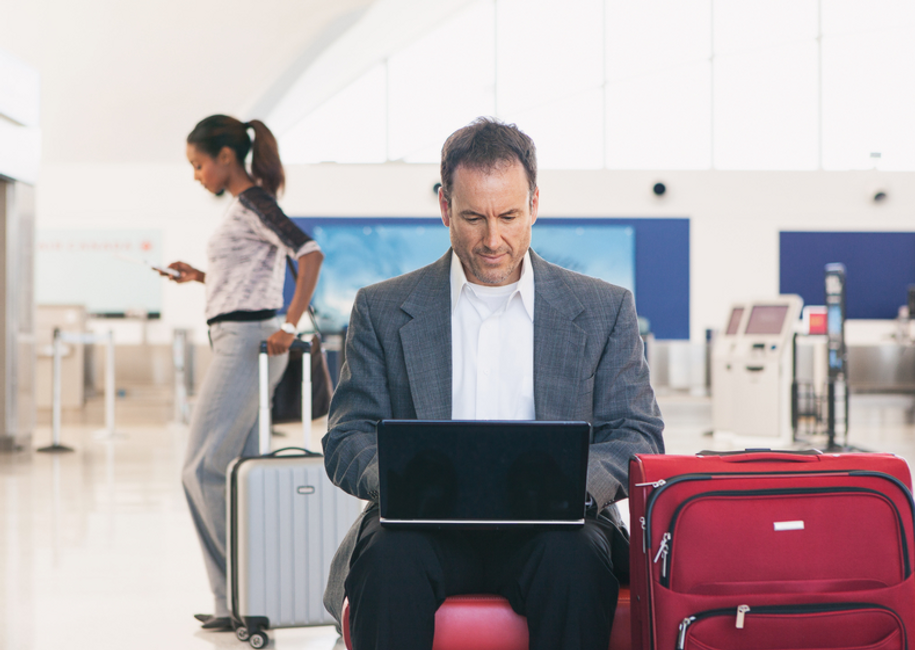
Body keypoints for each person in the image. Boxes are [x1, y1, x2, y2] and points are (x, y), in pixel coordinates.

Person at [322, 117, 664, 650]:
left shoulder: (603, 308)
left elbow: (637, 434)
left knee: (573, 561)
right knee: (388, 560)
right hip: (420, 528)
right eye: (473, 218)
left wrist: (570, 490)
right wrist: (403, 485)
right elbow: (347, 436)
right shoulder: (382, 308)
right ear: (444, 208)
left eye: (508, 216)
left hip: (558, 529)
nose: (492, 239)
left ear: (533, 205)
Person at [165, 115, 324, 631]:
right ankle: (247, 593)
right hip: (241, 336)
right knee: (239, 471)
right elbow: (250, 279)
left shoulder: (255, 200)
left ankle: (236, 592)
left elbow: (310, 252)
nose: (197, 175)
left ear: (225, 157)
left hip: (247, 342)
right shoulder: (247, 206)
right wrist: (201, 277)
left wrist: (291, 324)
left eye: (198, 164)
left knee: (202, 466)